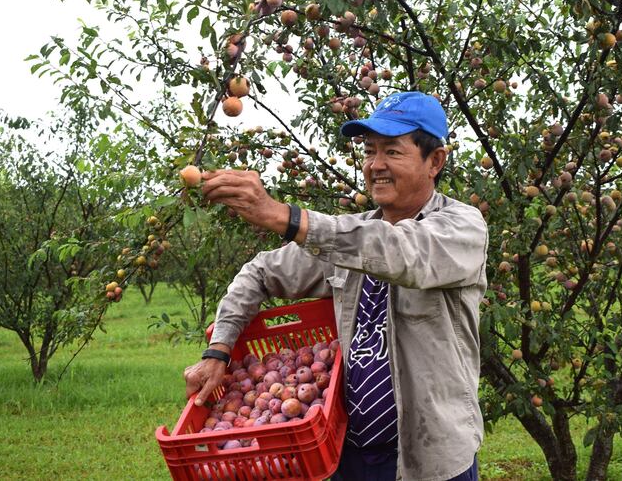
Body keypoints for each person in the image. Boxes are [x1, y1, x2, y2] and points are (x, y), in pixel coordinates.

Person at [183, 91, 488, 480]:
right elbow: (260, 272)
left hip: (430, 458)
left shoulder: (461, 227)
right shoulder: (346, 237)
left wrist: (283, 216)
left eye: (392, 152)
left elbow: (397, 251)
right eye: (369, 151)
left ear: (435, 161)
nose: (375, 164)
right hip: (350, 453)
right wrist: (219, 349)